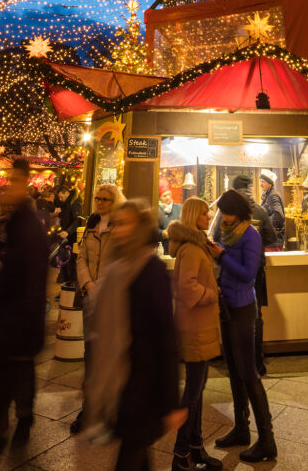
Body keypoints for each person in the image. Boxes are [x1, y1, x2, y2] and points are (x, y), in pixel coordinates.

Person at [84, 201, 184, 471]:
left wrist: (171, 400)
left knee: (131, 454)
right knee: (136, 453)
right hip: (121, 381)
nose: (117, 230)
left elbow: (165, 336)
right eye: (115, 223)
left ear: (141, 228)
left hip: (142, 385)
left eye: (125, 223)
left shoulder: (152, 272)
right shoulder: (116, 268)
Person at [0, 162, 48, 470]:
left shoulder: (29, 230)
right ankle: (2, 430)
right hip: (4, 334)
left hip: (13, 337)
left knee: (4, 398)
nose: (6, 188)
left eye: (13, 182)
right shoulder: (4, 226)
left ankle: (22, 419)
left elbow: (27, 288)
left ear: (25, 185)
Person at [209, 189, 276, 463]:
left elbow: (249, 274)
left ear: (239, 212)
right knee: (234, 369)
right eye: (222, 212)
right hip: (227, 306)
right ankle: (241, 428)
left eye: (228, 212)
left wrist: (221, 256)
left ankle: (267, 439)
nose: (224, 217)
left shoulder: (250, 235)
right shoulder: (226, 232)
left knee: (248, 371)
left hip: (243, 308)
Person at [168, 198, 222, 471]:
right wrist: (212, 294)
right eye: (204, 212)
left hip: (200, 325)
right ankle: (180, 454)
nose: (208, 215)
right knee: (192, 392)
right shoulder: (190, 249)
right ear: (193, 216)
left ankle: (196, 447)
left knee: (197, 390)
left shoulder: (197, 245)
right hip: (195, 327)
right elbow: (187, 287)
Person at [70, 183, 125, 435]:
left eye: (105, 199)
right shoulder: (91, 224)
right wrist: (87, 283)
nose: (100, 202)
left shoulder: (122, 227)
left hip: (111, 299)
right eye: (97, 198)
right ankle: (88, 408)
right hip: (90, 297)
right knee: (90, 354)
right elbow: (81, 257)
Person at [220, 175, 277, 376]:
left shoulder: (227, 214)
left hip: (234, 276)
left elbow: (220, 241)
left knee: (234, 319)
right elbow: (272, 237)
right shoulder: (260, 210)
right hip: (258, 271)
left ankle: (238, 364)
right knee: (256, 317)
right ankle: (256, 364)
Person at [259, 169, 285, 249]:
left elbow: (278, 216)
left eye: (263, 181)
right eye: (260, 181)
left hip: (274, 241)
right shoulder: (268, 195)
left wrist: (263, 223)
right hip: (271, 241)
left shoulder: (273, 196)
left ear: (270, 183)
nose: (260, 184)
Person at [158, 180, 182, 255]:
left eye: (169, 194)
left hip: (179, 250)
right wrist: (162, 233)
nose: (168, 197)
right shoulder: (156, 210)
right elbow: (150, 231)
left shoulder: (179, 208)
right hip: (163, 251)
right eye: (164, 196)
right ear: (159, 197)